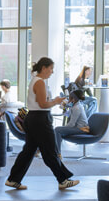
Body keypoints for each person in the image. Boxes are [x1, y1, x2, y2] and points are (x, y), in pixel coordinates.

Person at [6, 57, 78, 191]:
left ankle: (13, 179)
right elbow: (43, 104)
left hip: (34, 118)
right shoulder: (40, 82)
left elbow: (42, 101)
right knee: (50, 151)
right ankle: (63, 180)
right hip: (40, 120)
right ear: (44, 68)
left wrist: (55, 101)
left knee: (28, 151)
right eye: (50, 68)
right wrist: (56, 101)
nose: (52, 71)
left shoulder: (37, 81)